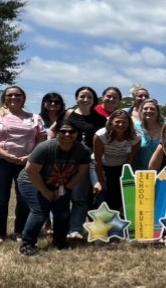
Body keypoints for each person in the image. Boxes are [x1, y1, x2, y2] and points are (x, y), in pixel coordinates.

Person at [0, 86, 46, 245]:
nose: (13, 97)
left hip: (26, 162)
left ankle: (19, 231)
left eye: (18, 95)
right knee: (0, 198)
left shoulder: (34, 117)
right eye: (9, 95)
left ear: (23, 98)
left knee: (23, 197)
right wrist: (5, 155)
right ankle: (0, 235)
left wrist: (30, 157)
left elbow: (41, 139)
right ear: (4, 98)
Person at [17, 120, 90, 256]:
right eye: (63, 131)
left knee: (62, 211)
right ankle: (27, 245)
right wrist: (45, 191)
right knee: (40, 211)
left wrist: (62, 190)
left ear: (77, 133)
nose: (67, 134)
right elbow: (31, 171)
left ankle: (60, 241)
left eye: (71, 131)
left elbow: (81, 172)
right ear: (56, 133)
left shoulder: (82, 151)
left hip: (59, 184)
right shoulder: (45, 148)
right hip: (31, 181)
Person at [63, 86, 106, 240]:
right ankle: (74, 229)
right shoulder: (69, 116)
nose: (85, 99)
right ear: (76, 98)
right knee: (77, 196)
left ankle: (93, 229)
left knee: (92, 194)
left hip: (93, 162)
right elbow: (56, 133)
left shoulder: (100, 120)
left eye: (89, 97)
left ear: (94, 100)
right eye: (82, 96)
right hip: (72, 161)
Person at [93, 109, 139, 215]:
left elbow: (131, 160)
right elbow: (97, 160)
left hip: (121, 167)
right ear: (111, 121)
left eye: (124, 122)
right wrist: (100, 180)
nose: (121, 124)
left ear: (129, 124)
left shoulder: (135, 137)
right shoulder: (101, 135)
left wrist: (128, 179)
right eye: (117, 121)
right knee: (102, 192)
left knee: (119, 195)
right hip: (102, 165)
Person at [134, 99, 163, 170]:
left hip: (162, 173)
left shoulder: (165, 129)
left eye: (152, 109)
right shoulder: (134, 127)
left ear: (157, 112)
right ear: (141, 111)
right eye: (145, 109)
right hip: (140, 173)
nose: (149, 111)